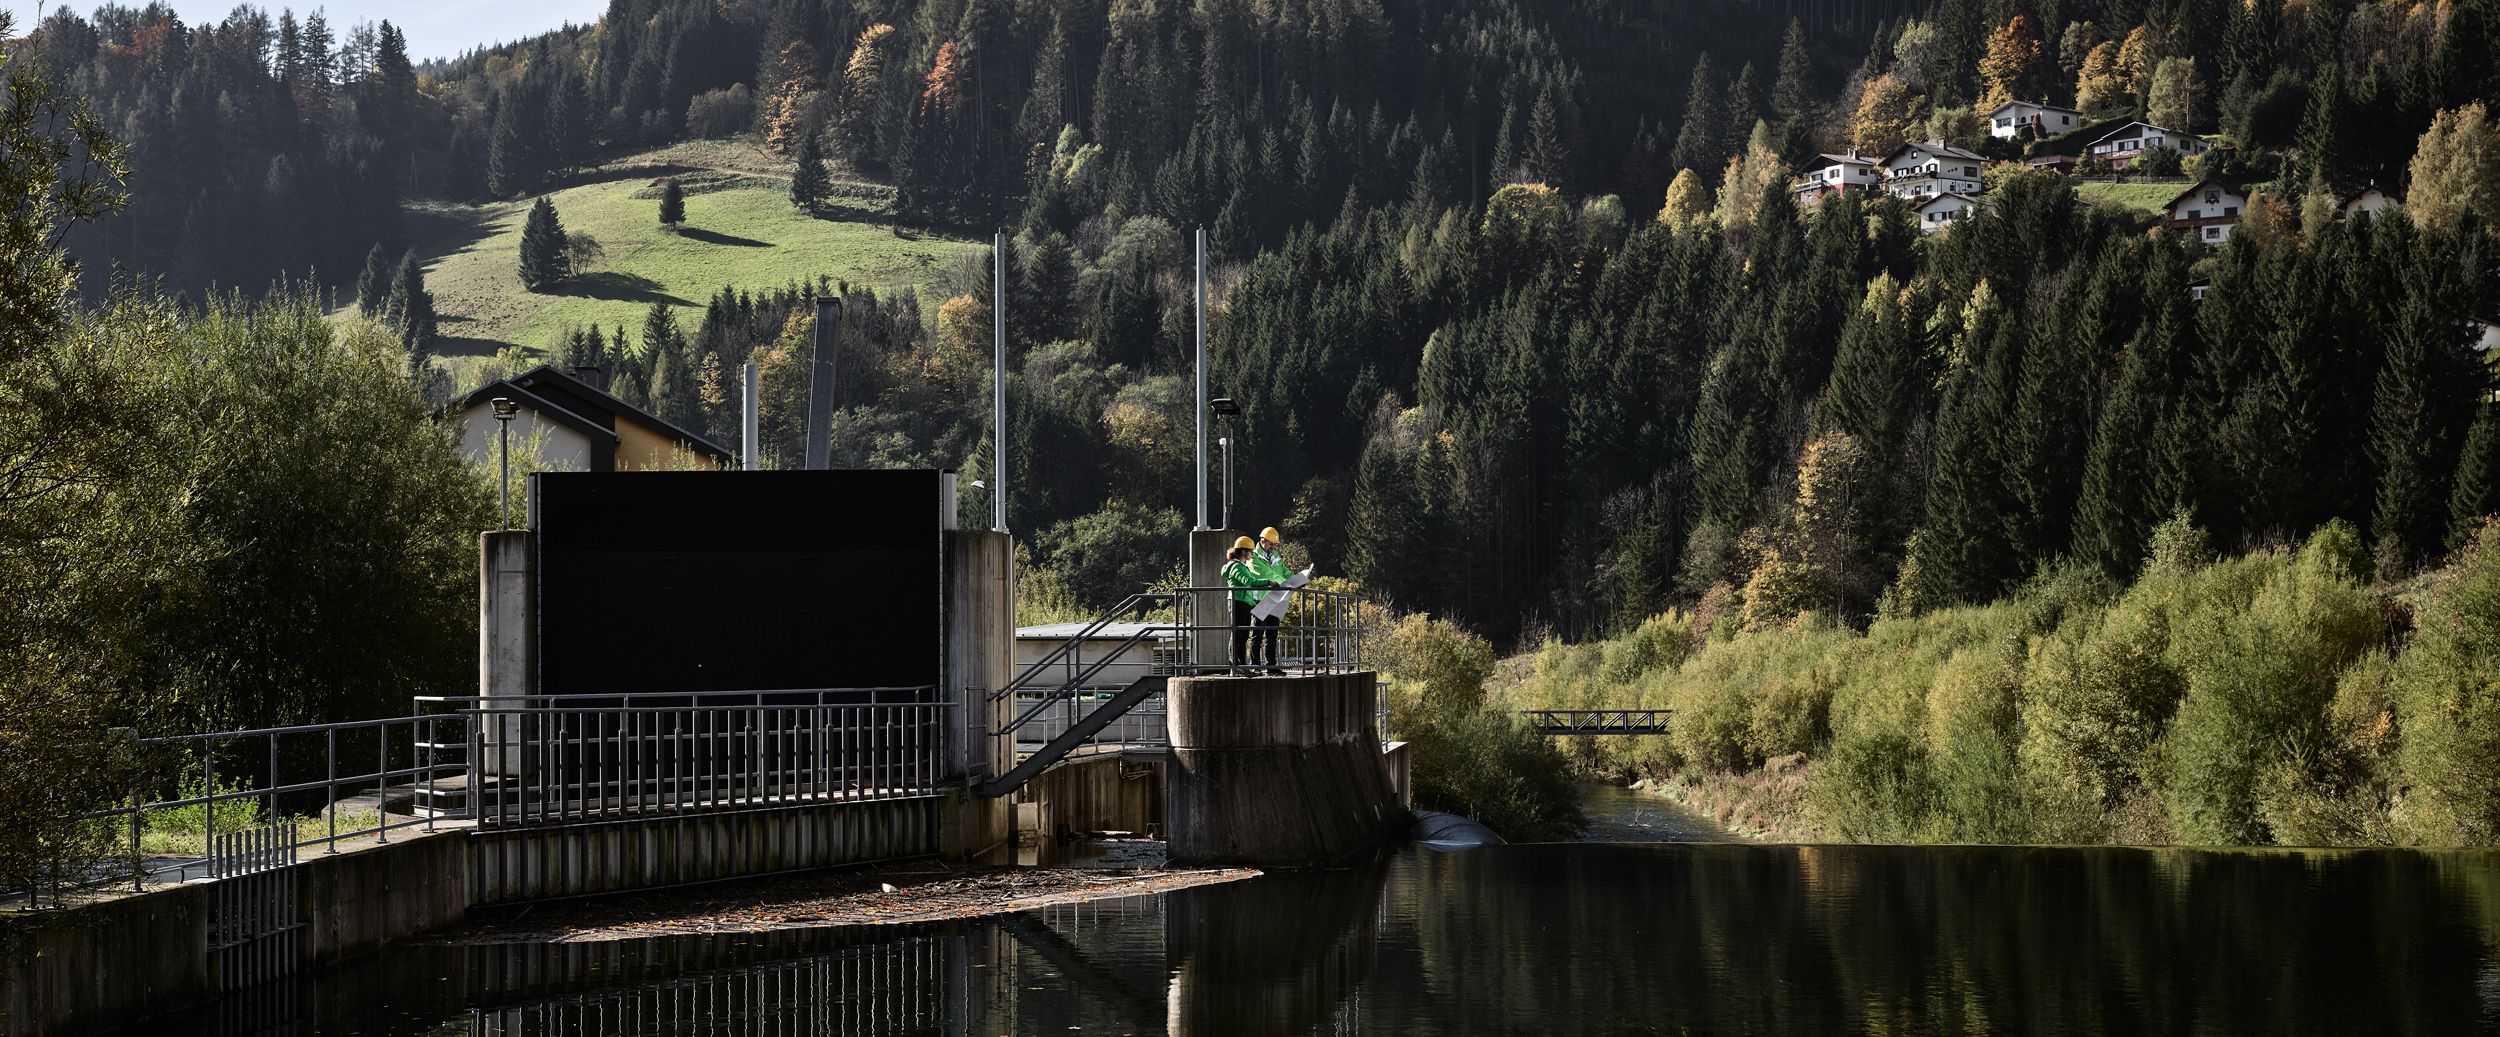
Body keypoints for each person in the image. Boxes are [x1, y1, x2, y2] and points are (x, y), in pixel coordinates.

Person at [1221, 536, 1275, 672]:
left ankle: (1241, 665)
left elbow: (1248, 589)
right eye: (1251, 551)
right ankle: (1235, 665)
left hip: (1243, 602)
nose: (1252, 554)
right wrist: (1268, 582)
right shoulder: (1235, 567)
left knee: (1243, 634)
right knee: (1238, 634)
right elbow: (1248, 581)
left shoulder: (1241, 566)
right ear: (1244, 552)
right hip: (1237, 602)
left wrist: (1253, 604)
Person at [1252, 526, 1291, 675]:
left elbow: (1284, 570)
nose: (1273, 547)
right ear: (1263, 541)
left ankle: (1271, 666)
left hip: (1275, 600)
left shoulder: (1275, 555)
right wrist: (1284, 582)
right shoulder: (1254, 557)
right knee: (1258, 634)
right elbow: (1265, 573)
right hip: (1260, 600)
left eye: (1275, 545)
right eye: (1271, 544)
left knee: (1272, 635)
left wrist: (1295, 579)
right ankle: (1255, 665)